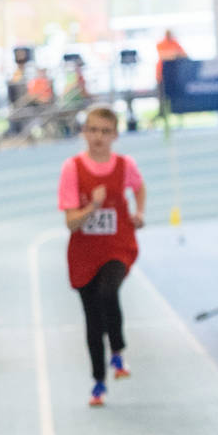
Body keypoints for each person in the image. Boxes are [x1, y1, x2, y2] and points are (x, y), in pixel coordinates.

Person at [59, 105, 144, 407]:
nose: (98, 137)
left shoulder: (124, 165)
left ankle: (118, 353)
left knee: (110, 291)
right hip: (83, 254)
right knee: (93, 323)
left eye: (105, 131)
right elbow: (70, 222)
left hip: (118, 246)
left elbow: (139, 186)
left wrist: (139, 212)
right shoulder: (72, 169)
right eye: (93, 130)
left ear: (115, 135)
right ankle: (98, 382)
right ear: (84, 133)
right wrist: (91, 208)